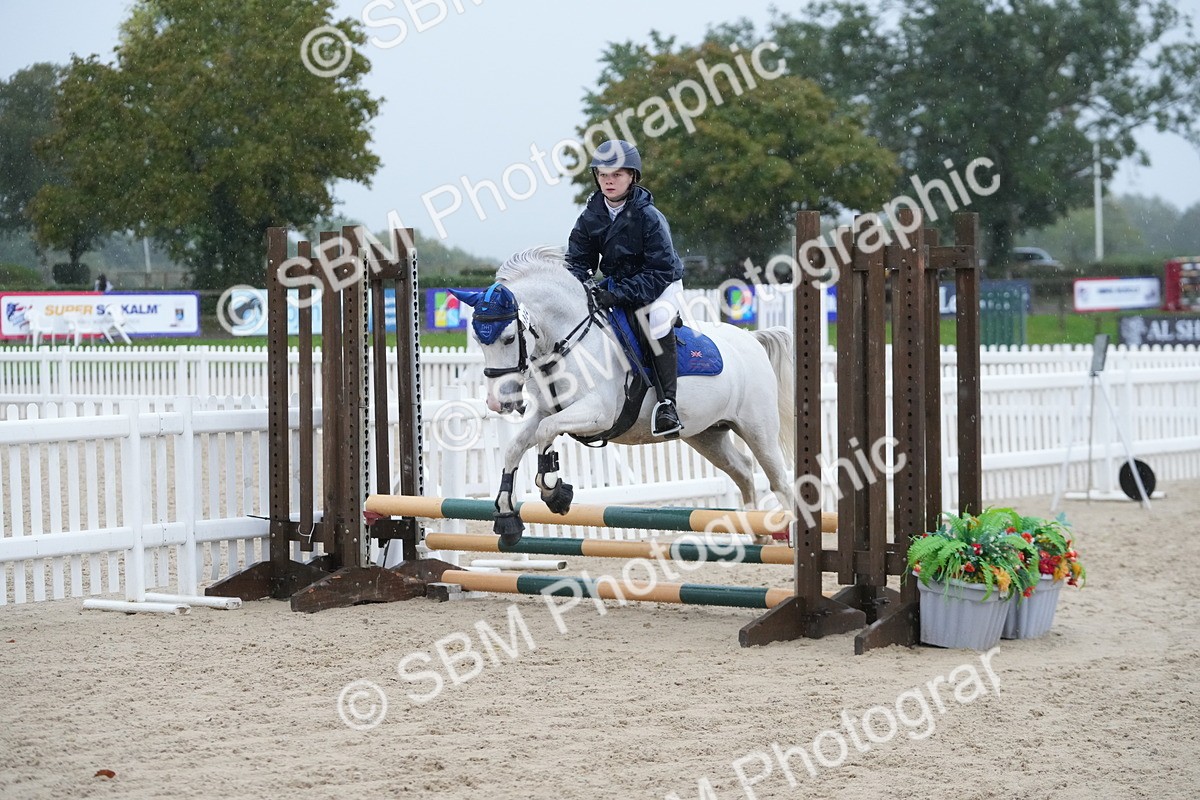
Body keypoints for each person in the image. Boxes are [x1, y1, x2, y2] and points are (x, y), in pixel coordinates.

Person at [565, 139, 685, 438]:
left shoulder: (649, 217)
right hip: (618, 284)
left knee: (655, 320)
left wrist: (618, 293)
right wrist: (581, 286)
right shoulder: (591, 216)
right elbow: (579, 261)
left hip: (661, 284)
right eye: (603, 174)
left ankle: (668, 404)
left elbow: (659, 270)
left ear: (632, 176)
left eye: (617, 174)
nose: (609, 180)